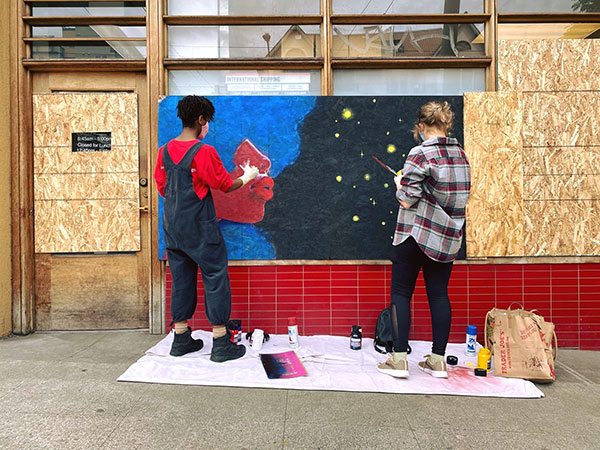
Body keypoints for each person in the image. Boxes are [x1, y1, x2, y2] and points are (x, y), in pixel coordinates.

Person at [154, 95, 259, 362]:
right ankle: (221, 342)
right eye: (207, 121)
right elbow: (224, 184)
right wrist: (247, 177)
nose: (208, 126)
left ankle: (180, 338)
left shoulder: (163, 151)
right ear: (201, 120)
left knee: (181, 280)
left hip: (173, 228)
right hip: (200, 228)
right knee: (215, 277)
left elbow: (162, 188)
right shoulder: (204, 152)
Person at [376, 101, 471, 379]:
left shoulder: (419, 153)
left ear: (421, 126)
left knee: (401, 294)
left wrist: (399, 184)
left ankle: (399, 360)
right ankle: (438, 361)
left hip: (415, 234)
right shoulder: (461, 155)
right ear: (447, 124)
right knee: (439, 294)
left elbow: (406, 199)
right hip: (447, 236)